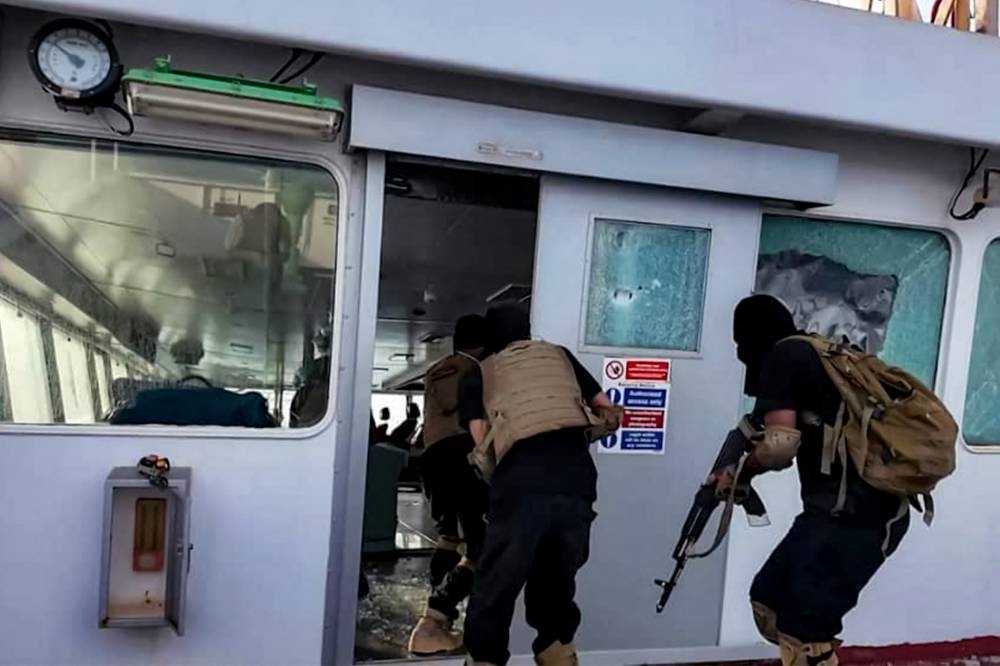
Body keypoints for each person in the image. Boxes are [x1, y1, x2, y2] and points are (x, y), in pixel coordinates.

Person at [722, 294, 910, 666]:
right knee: (769, 600)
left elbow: (778, 447)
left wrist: (741, 473)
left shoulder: (784, 357)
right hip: (832, 513)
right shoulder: (812, 354)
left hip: (858, 516)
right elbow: (773, 426)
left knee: (804, 628)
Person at [459, 303, 621, 666]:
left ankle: (484, 658)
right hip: (576, 483)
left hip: (520, 488)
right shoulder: (560, 357)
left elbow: (482, 440)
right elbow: (608, 409)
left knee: (496, 584)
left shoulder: (482, 372)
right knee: (556, 582)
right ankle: (558, 653)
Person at [408, 314, 490, 656]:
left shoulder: (436, 368)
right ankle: (441, 612)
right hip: (461, 454)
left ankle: (438, 605)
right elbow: (466, 410)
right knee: (479, 542)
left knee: (448, 535)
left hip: (433, 456)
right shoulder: (475, 369)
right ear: (482, 343)